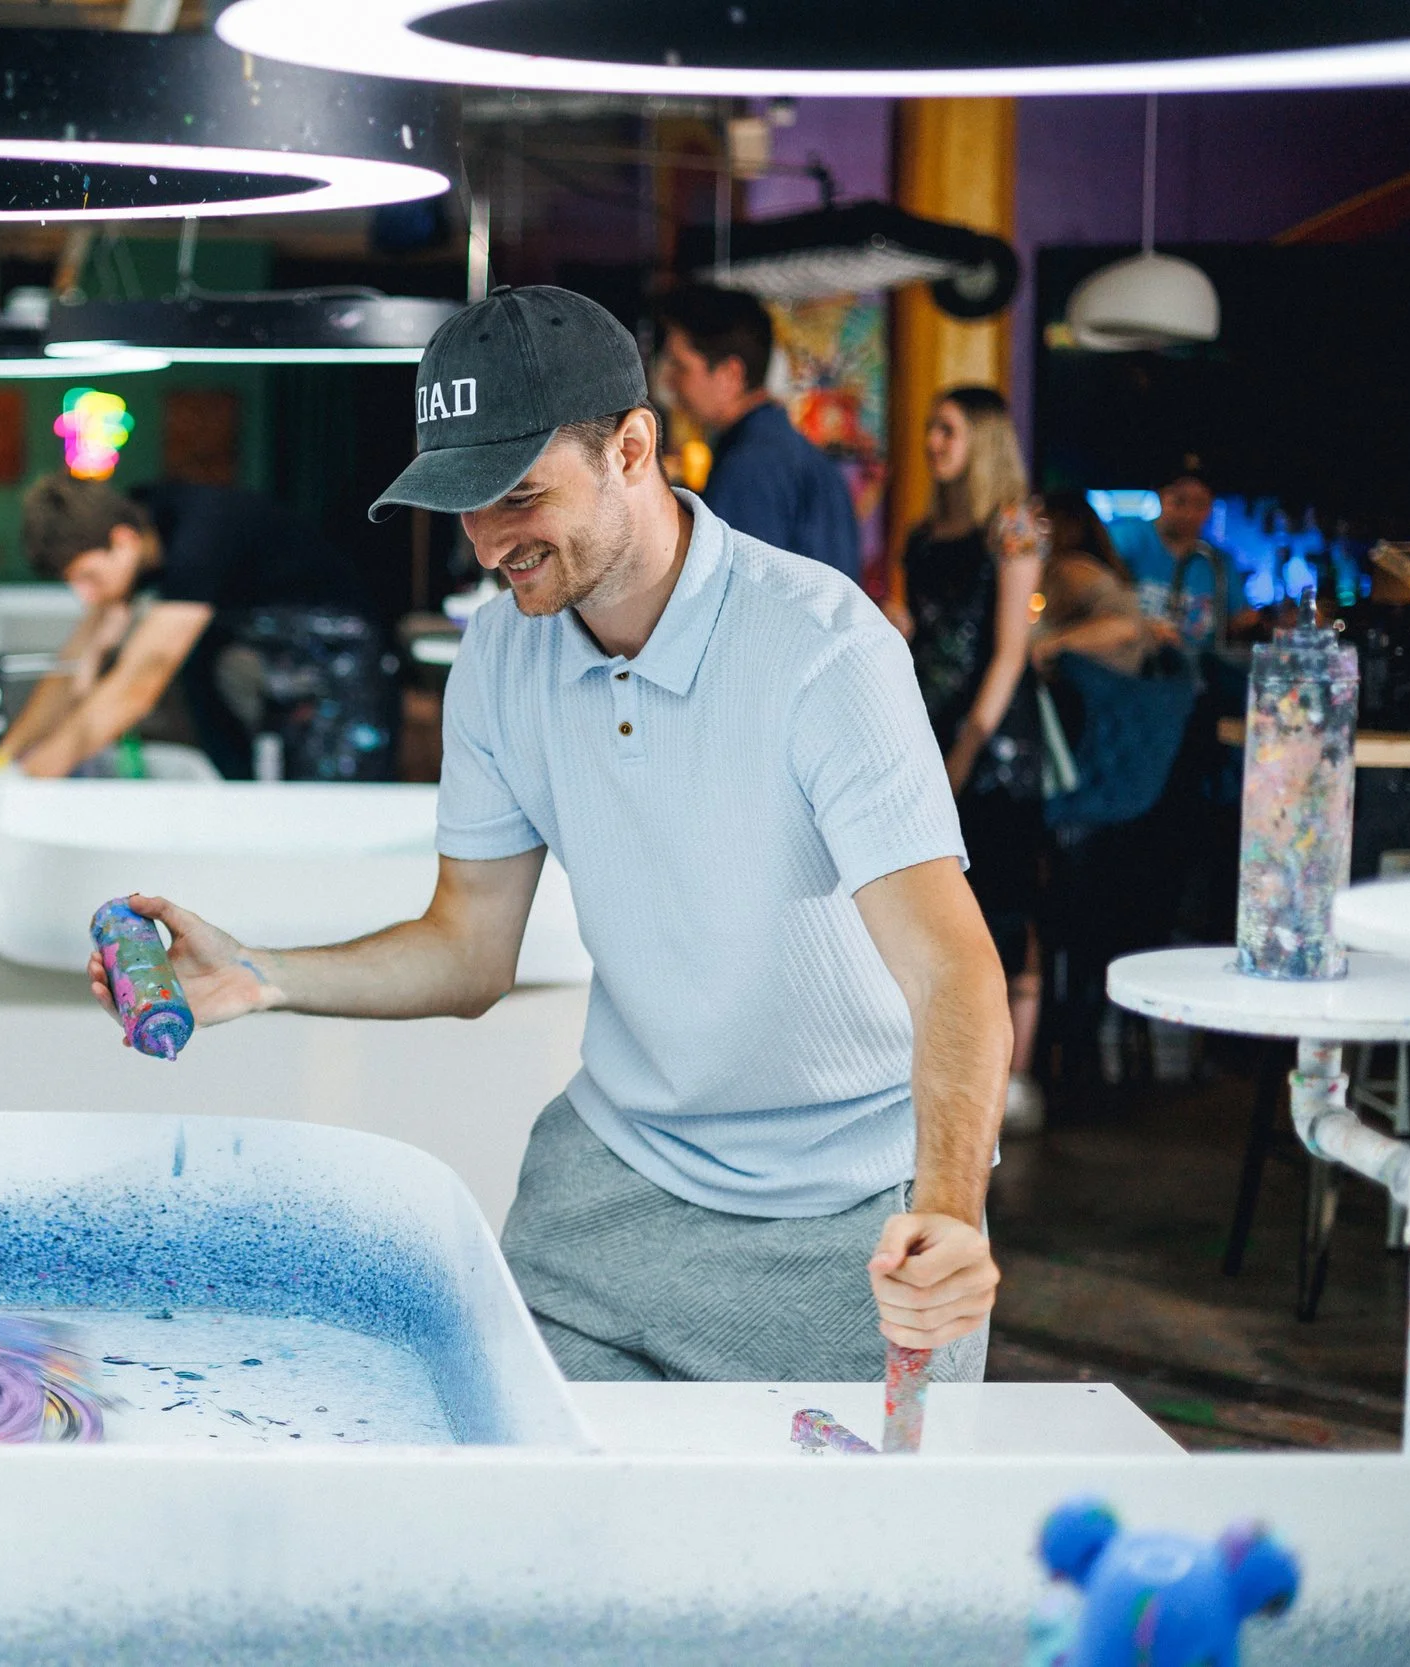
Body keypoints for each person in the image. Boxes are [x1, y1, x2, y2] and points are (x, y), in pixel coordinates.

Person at [91, 287, 1005, 1384]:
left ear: (632, 448)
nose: (486, 543)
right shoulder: (497, 658)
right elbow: (469, 947)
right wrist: (260, 974)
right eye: (461, 502)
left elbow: (952, 968)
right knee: (511, 1480)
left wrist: (950, 1206)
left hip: (845, 1220)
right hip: (607, 1190)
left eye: (519, 494)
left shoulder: (823, 648)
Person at [0, 477, 373, 781]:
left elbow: (138, 684)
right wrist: (1, 758)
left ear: (123, 541)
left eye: (89, 577)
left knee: (332, 799)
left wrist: (27, 779)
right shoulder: (127, 522)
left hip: (340, 652)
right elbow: (72, 665)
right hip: (264, 651)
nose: (84, 596)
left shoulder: (198, 540)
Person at [901, 386, 1047, 1134]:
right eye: (932, 427)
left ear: (983, 439)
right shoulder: (924, 533)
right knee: (936, 910)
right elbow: (922, 632)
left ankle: (1010, 1085)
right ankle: (950, 1076)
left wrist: (963, 750)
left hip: (996, 745)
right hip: (930, 726)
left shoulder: (1012, 525)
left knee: (1005, 911)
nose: (933, 440)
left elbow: (1010, 655)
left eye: (948, 429)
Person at [654, 284, 862, 584]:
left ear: (731, 374)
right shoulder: (794, 452)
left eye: (680, 366)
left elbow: (732, 589)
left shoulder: (749, 465)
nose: (669, 381)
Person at [1110, 463, 1244, 655]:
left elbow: (1241, 619)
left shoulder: (1218, 561)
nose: (1189, 513)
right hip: (1133, 660)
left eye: (1200, 504)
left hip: (1196, 667)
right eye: (1179, 501)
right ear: (1160, 496)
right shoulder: (1126, 538)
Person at [1033, 493, 1149, 678]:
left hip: (1100, 684)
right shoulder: (1095, 567)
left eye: (1039, 522)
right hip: (1117, 680)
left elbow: (1125, 627)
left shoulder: (1073, 570)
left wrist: (1048, 646)